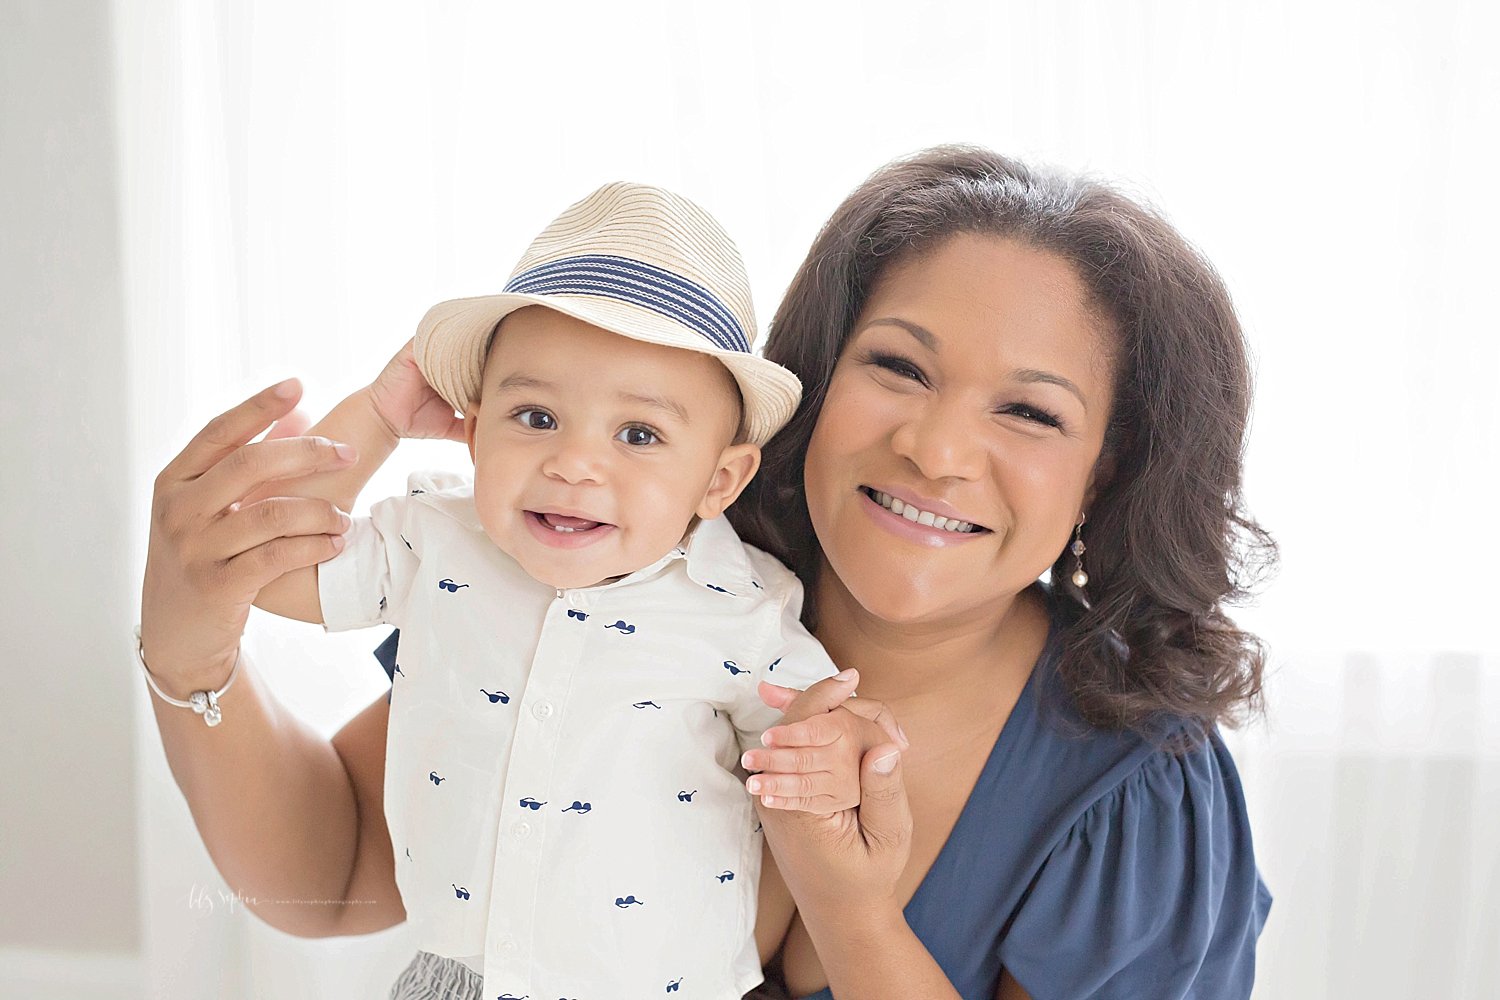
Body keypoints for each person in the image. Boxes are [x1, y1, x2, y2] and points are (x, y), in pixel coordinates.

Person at [139, 145, 1272, 999]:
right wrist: (188, 648)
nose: (935, 448)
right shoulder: (624, 577)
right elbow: (335, 872)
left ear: (1109, 468)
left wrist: (849, 902)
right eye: (897, 366)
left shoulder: (1133, 791)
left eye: (1028, 410)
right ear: (810, 386)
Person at [194, 182, 892, 999]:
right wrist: (377, 416)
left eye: (639, 434)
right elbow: (266, 563)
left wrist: (837, 753)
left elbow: (814, 747)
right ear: (475, 426)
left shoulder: (739, 608)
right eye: (534, 417)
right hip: (457, 980)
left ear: (720, 478)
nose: (574, 464)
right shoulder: (435, 544)